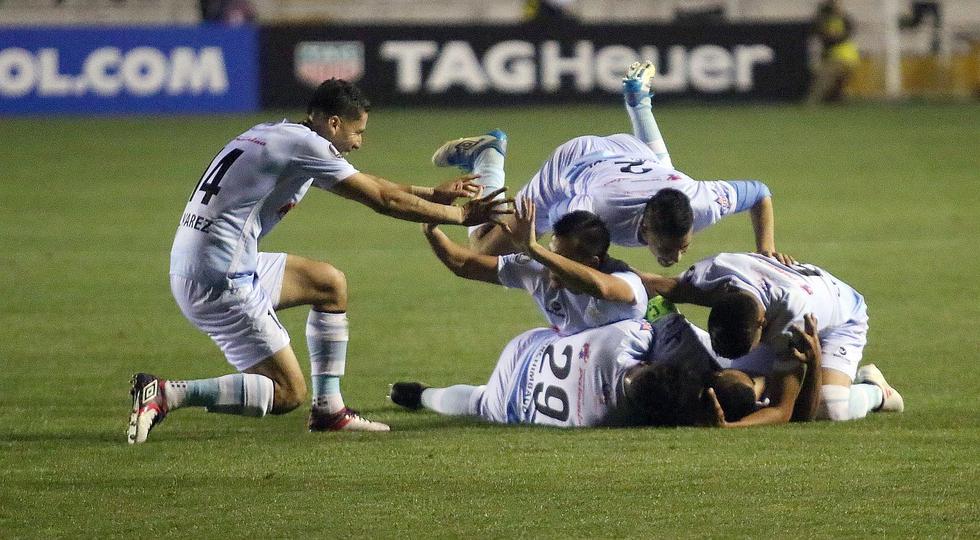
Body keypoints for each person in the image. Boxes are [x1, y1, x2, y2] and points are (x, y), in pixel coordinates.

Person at [127, 78, 512, 443]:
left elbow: (370, 183)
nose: (359, 142)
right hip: (223, 277)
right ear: (333, 123)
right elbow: (383, 200)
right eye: (357, 132)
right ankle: (166, 393)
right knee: (286, 393)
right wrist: (462, 216)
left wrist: (432, 194)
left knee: (328, 283)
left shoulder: (277, 133)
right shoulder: (306, 147)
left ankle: (329, 410)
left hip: (201, 262)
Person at [430, 62, 784, 268]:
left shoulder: (699, 202)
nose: (675, 258)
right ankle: (489, 156)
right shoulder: (595, 212)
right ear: (644, 227)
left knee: (671, 173)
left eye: (682, 246)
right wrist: (530, 245)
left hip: (631, 153)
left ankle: (638, 99)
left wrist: (765, 251)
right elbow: (560, 249)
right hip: (573, 167)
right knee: (484, 247)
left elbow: (759, 194)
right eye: (667, 247)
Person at [639, 252, 904, 422]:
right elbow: (666, 285)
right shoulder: (715, 273)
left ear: (762, 324)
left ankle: (877, 391)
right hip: (790, 292)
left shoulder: (794, 319)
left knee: (831, 407)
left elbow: (791, 413)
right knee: (736, 391)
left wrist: (731, 428)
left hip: (841, 317)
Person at [389, 319, 712, 428]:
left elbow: (656, 320)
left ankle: (416, 393)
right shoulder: (615, 417)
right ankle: (423, 395)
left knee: (604, 316)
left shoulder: (623, 340)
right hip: (513, 404)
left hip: (527, 349)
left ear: (646, 364)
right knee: (477, 402)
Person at [422, 196, 648, 335]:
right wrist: (430, 229)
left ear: (592, 263)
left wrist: (535, 250)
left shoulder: (628, 283)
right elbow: (465, 264)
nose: (550, 263)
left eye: (561, 258)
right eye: (551, 252)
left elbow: (602, 288)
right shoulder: (538, 269)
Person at [806, 0, 860, 105]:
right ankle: (836, 99)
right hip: (840, 57)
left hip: (843, 57)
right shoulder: (829, 22)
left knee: (824, 77)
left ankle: (812, 101)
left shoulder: (840, 21)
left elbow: (833, 38)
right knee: (830, 78)